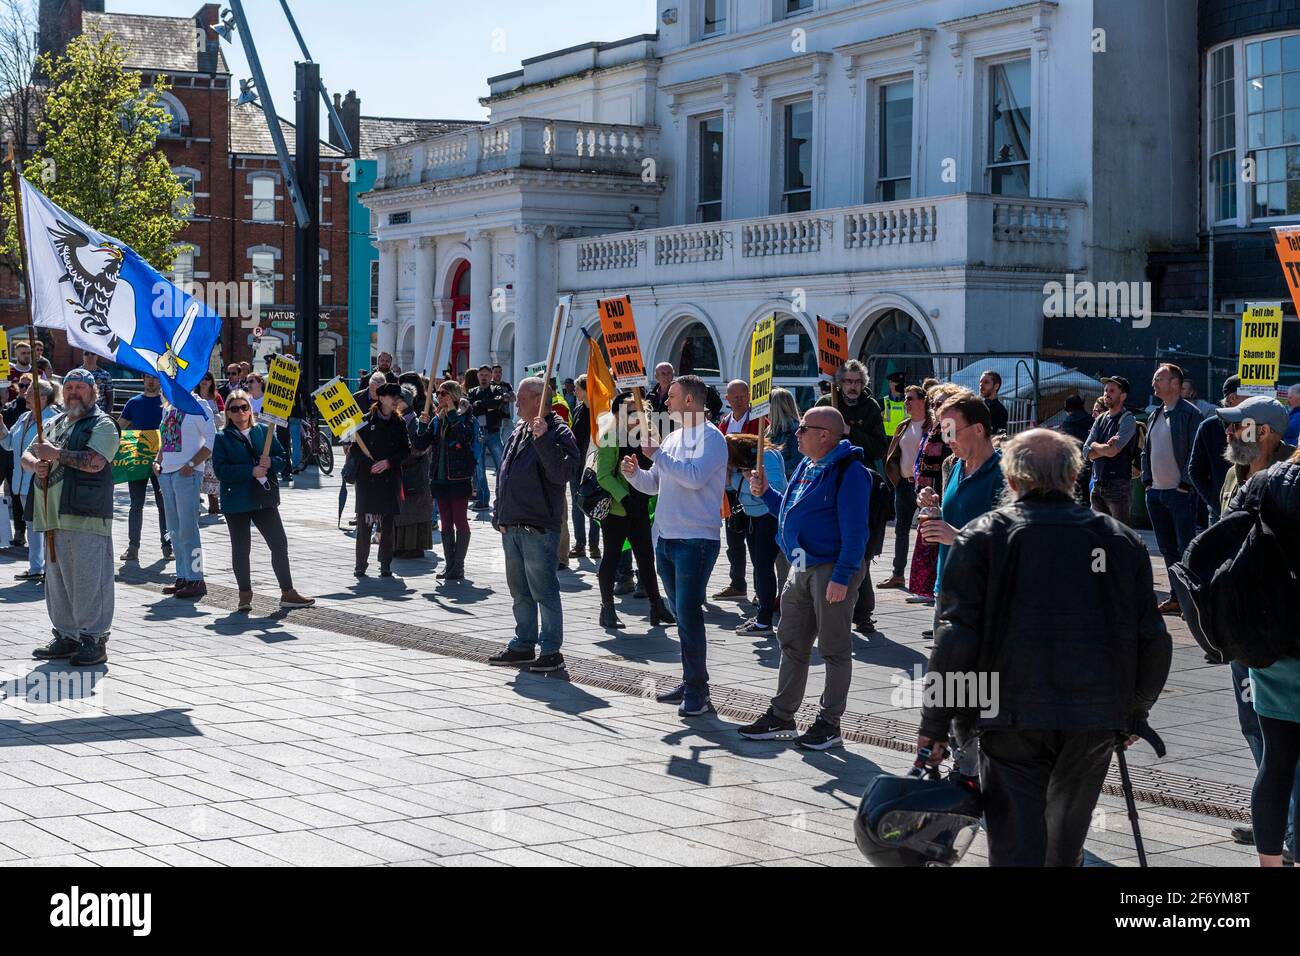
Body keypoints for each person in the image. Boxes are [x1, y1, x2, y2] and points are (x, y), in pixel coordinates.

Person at [916, 429, 1171, 866]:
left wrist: (936, 724)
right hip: (1091, 717)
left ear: (1011, 480)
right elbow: (1153, 639)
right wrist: (1133, 711)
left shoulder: (983, 537)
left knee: (1015, 844)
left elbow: (956, 638)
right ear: (1074, 476)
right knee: (1064, 843)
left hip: (1008, 714)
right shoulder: (1118, 539)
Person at [738, 406, 870, 750]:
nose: (796, 434)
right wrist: (765, 492)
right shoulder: (808, 465)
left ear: (825, 434)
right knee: (792, 640)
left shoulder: (850, 471)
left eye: (803, 429)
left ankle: (829, 722)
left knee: (834, 648)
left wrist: (842, 576)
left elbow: (857, 532)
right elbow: (787, 509)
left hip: (831, 568)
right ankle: (782, 714)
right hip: (800, 564)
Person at [621, 375, 728, 716]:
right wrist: (635, 473)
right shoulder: (673, 437)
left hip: (695, 539)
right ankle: (691, 679)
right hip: (666, 537)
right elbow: (656, 484)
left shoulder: (712, 438)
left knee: (689, 614)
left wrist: (658, 456)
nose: (665, 403)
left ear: (690, 402)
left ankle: (698, 691)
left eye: (672, 397)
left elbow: (695, 478)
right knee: (682, 616)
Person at [1222, 453, 1300, 866]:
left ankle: (1268, 863)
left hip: (1271, 649)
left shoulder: (1263, 483)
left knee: (1276, 761)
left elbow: (1223, 544)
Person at [25, 369, 122, 667]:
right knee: (57, 581)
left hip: (86, 513)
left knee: (89, 579)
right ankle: (67, 636)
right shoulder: (53, 422)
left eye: (81, 387)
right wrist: (34, 465)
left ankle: (93, 638)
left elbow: (95, 462)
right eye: (69, 387)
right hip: (51, 514)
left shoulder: (103, 423)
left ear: (93, 392)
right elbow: (28, 454)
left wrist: (55, 455)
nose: (74, 392)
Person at [487, 377, 581, 673]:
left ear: (539, 400)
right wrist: (498, 514)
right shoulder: (519, 430)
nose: (516, 403)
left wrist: (544, 441)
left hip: (538, 526)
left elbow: (562, 472)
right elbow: (505, 471)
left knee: (544, 591)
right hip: (512, 523)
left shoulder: (557, 431)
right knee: (520, 591)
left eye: (522, 398)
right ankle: (523, 643)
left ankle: (551, 650)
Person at [211, 390, 314, 612]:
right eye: (235, 408)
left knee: (279, 544)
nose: (240, 413)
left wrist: (271, 463)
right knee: (241, 548)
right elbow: (221, 470)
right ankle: (245, 595)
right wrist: (251, 471)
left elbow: (281, 458)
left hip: (262, 499)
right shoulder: (222, 437)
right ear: (228, 412)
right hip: (236, 501)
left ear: (251, 409)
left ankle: (288, 592)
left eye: (244, 407)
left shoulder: (263, 432)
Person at [816, 359, 887, 631]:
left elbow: (879, 447)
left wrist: (849, 431)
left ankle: (863, 610)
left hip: (860, 482)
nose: (853, 387)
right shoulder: (826, 402)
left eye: (857, 381)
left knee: (861, 546)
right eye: (848, 381)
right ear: (840, 382)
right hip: (827, 482)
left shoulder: (871, 408)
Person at [594, 394, 673, 629]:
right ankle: (607, 609)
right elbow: (604, 475)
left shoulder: (649, 436)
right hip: (618, 510)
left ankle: (656, 606)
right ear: (617, 415)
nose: (634, 416)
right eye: (629, 412)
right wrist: (624, 498)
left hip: (641, 509)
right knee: (611, 557)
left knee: (647, 557)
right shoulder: (610, 437)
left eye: (637, 410)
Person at [917, 392, 1005, 603]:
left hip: (982, 595)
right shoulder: (954, 465)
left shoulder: (1004, 475)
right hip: (946, 588)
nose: (947, 440)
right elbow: (959, 515)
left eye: (952, 431)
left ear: (978, 429)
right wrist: (933, 505)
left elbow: (1011, 541)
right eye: (944, 431)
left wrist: (958, 538)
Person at [1141, 363, 1204, 614]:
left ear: (1175, 384)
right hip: (1155, 493)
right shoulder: (1155, 413)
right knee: (1166, 548)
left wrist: (1186, 484)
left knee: (1185, 546)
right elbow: (1147, 449)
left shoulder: (1190, 414)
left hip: (1179, 494)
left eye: (1159, 378)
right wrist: (1147, 482)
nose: (1154, 382)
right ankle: (1175, 596)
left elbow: (1195, 452)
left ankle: (1191, 598)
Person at [413, 380, 478, 580]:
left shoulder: (465, 417)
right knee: (446, 522)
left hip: (459, 477)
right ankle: (449, 565)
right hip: (440, 478)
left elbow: (465, 438)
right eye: (438, 393)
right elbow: (419, 445)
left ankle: (458, 566)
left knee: (460, 520)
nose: (439, 397)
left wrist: (451, 412)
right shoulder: (436, 419)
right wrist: (421, 426)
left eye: (443, 393)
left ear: (453, 395)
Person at [154, 393, 215, 600]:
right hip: (167, 472)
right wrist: (158, 460)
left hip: (186, 473)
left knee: (189, 529)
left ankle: (196, 578)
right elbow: (167, 438)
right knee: (175, 530)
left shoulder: (198, 405)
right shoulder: (168, 406)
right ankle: (183, 576)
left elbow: (211, 439)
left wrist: (191, 465)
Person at [0, 379, 61, 583]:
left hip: (42, 481)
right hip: (22, 481)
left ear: (43, 397)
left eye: (30, 392)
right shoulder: (24, 417)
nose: (24, 394)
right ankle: (36, 567)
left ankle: (49, 569)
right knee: (33, 525)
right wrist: (1, 427)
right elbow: (9, 444)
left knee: (44, 526)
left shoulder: (53, 418)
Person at [727, 432, 787, 637]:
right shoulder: (740, 463)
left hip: (768, 516)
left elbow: (777, 488)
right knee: (759, 567)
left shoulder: (766, 456)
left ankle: (764, 621)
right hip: (751, 516)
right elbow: (731, 485)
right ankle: (762, 614)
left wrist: (748, 477)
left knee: (763, 568)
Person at [349, 382, 410, 578]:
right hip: (368, 479)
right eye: (392, 397)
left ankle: (385, 564)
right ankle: (360, 564)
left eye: (397, 397)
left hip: (389, 479)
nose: (396, 401)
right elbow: (355, 450)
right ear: (381, 398)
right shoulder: (364, 421)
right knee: (364, 525)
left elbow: (405, 450)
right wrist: (370, 465)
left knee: (388, 525)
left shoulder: (399, 423)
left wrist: (388, 463)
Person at [906, 383, 959, 602]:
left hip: (940, 490)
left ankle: (931, 591)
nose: (936, 407)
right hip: (929, 491)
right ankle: (927, 590)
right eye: (934, 403)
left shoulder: (947, 425)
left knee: (934, 543)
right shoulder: (933, 427)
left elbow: (949, 460)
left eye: (941, 403)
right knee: (926, 542)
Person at [713, 379, 761, 602]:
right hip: (729, 488)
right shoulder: (724, 421)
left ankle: (761, 588)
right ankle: (737, 583)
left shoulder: (759, 421)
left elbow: (760, 450)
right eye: (736, 397)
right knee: (733, 537)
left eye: (744, 396)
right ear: (727, 399)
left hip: (748, 487)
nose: (741, 400)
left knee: (755, 540)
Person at [117, 373, 170, 564]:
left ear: (160, 381)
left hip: (162, 460)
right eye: (147, 377)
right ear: (142, 379)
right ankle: (133, 547)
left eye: (155, 378)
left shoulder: (167, 401)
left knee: (163, 505)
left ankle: (167, 546)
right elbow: (118, 428)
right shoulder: (133, 402)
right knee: (135, 505)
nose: (151, 381)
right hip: (137, 460)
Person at [879, 384, 929, 589]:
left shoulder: (933, 426)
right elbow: (893, 455)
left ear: (922, 401)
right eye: (906, 399)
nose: (906, 402)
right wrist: (897, 479)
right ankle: (897, 574)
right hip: (904, 485)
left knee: (926, 531)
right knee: (901, 530)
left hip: (926, 487)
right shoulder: (903, 426)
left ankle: (927, 577)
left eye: (910, 399)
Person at [1084, 375, 1138, 526]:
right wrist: (1101, 446)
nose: (1106, 393)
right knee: (1099, 533)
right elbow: (1085, 452)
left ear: (1123, 396)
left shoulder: (1128, 420)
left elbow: (1112, 452)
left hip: (1118, 486)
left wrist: (1094, 445)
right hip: (1097, 485)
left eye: (1112, 390)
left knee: (1120, 533)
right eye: (1105, 390)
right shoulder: (1100, 419)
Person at [1188, 375, 1242, 524]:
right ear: (1232, 397)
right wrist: (1217, 502)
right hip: (1220, 513)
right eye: (1250, 394)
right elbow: (1195, 471)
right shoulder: (1209, 427)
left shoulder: (1257, 425)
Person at [392, 384, 435, 561]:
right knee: (401, 512)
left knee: (414, 511)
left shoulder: (416, 422)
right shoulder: (397, 420)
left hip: (415, 472)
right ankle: (399, 546)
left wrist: (401, 457)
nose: (394, 402)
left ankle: (414, 547)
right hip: (401, 471)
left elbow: (420, 448)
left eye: (398, 400)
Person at [568, 374, 600, 559]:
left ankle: (594, 545)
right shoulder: (579, 409)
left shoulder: (599, 411)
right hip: (577, 464)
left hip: (592, 465)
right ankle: (580, 543)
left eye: (578, 388)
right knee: (576, 505)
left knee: (593, 504)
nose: (574, 391)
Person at [469, 364, 508, 512]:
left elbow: (498, 402)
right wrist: (487, 405)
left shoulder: (496, 389)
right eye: (481, 375)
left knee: (501, 466)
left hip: (493, 432)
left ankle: (502, 498)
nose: (484, 377)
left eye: (486, 375)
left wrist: (481, 404)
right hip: (478, 433)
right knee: (479, 468)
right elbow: (471, 407)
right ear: (478, 376)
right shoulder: (473, 391)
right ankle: (483, 498)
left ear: (491, 376)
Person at [3, 375, 32, 547]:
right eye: (21, 385)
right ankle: (15, 531)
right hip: (8, 458)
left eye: (28, 386)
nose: (24, 389)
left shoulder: (42, 411)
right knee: (14, 496)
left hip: (27, 462)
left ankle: (24, 532)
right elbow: (6, 437)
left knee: (23, 497)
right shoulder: (10, 408)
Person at [195, 372, 225, 515]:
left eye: (207, 378)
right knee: (198, 468)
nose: (204, 381)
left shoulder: (216, 397)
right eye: (201, 378)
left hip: (214, 438)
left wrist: (215, 415)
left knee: (211, 471)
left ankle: (214, 504)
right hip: (196, 437)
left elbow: (222, 418)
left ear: (212, 381)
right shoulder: (193, 397)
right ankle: (196, 501)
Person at [1058, 393, 1094, 505]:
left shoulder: (1068, 422)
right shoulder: (1091, 420)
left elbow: (1067, 444)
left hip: (1074, 463)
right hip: (1091, 460)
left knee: (1076, 496)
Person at [979, 370, 1009, 435]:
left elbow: (998, 437)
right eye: (980, 382)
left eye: (986, 382)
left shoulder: (1000, 411)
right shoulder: (976, 405)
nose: (981, 385)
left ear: (996, 386)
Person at [881, 371, 908, 440]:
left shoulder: (909, 402)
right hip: (886, 439)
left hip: (904, 437)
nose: (899, 385)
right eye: (896, 382)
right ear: (890, 384)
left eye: (901, 383)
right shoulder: (881, 402)